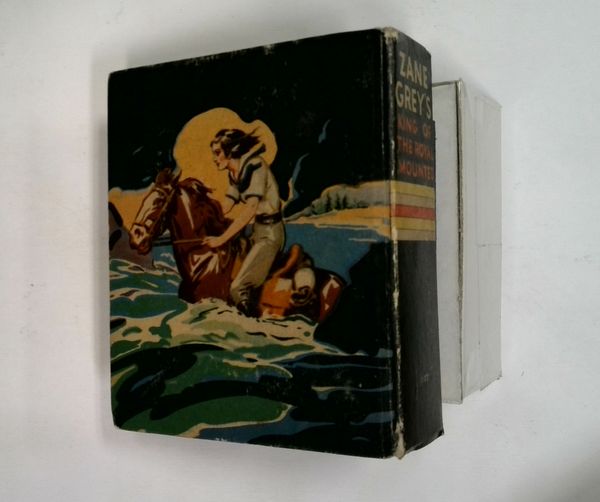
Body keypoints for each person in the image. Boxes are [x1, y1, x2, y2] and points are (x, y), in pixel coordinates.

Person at [204, 128, 284, 315]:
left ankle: (253, 327)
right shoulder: (234, 172)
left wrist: (221, 239)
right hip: (256, 231)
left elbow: (250, 209)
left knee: (237, 288)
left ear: (231, 151)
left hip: (271, 234)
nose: (214, 158)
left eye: (217, 153)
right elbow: (227, 205)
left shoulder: (256, 166)